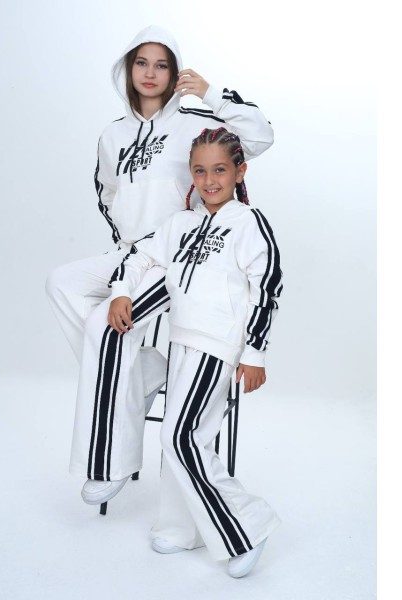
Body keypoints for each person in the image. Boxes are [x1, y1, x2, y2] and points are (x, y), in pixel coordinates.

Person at [45, 24, 275, 506]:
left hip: (178, 256)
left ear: (175, 73)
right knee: (62, 282)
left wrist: (211, 94)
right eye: (141, 63)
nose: (150, 73)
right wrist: (128, 241)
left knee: (106, 329)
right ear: (128, 69)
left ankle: (110, 462)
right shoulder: (112, 134)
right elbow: (107, 191)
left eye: (162, 64)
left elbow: (261, 135)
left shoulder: (194, 123)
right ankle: (144, 373)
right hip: (134, 251)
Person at [108, 127, 283, 578]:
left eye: (219, 170)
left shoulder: (248, 223)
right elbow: (142, 255)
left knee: (180, 436)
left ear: (240, 172)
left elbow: (266, 288)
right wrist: (122, 290)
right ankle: (180, 527)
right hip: (180, 340)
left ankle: (248, 525)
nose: (209, 180)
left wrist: (255, 353)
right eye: (200, 171)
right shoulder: (180, 224)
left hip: (217, 345)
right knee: (185, 435)